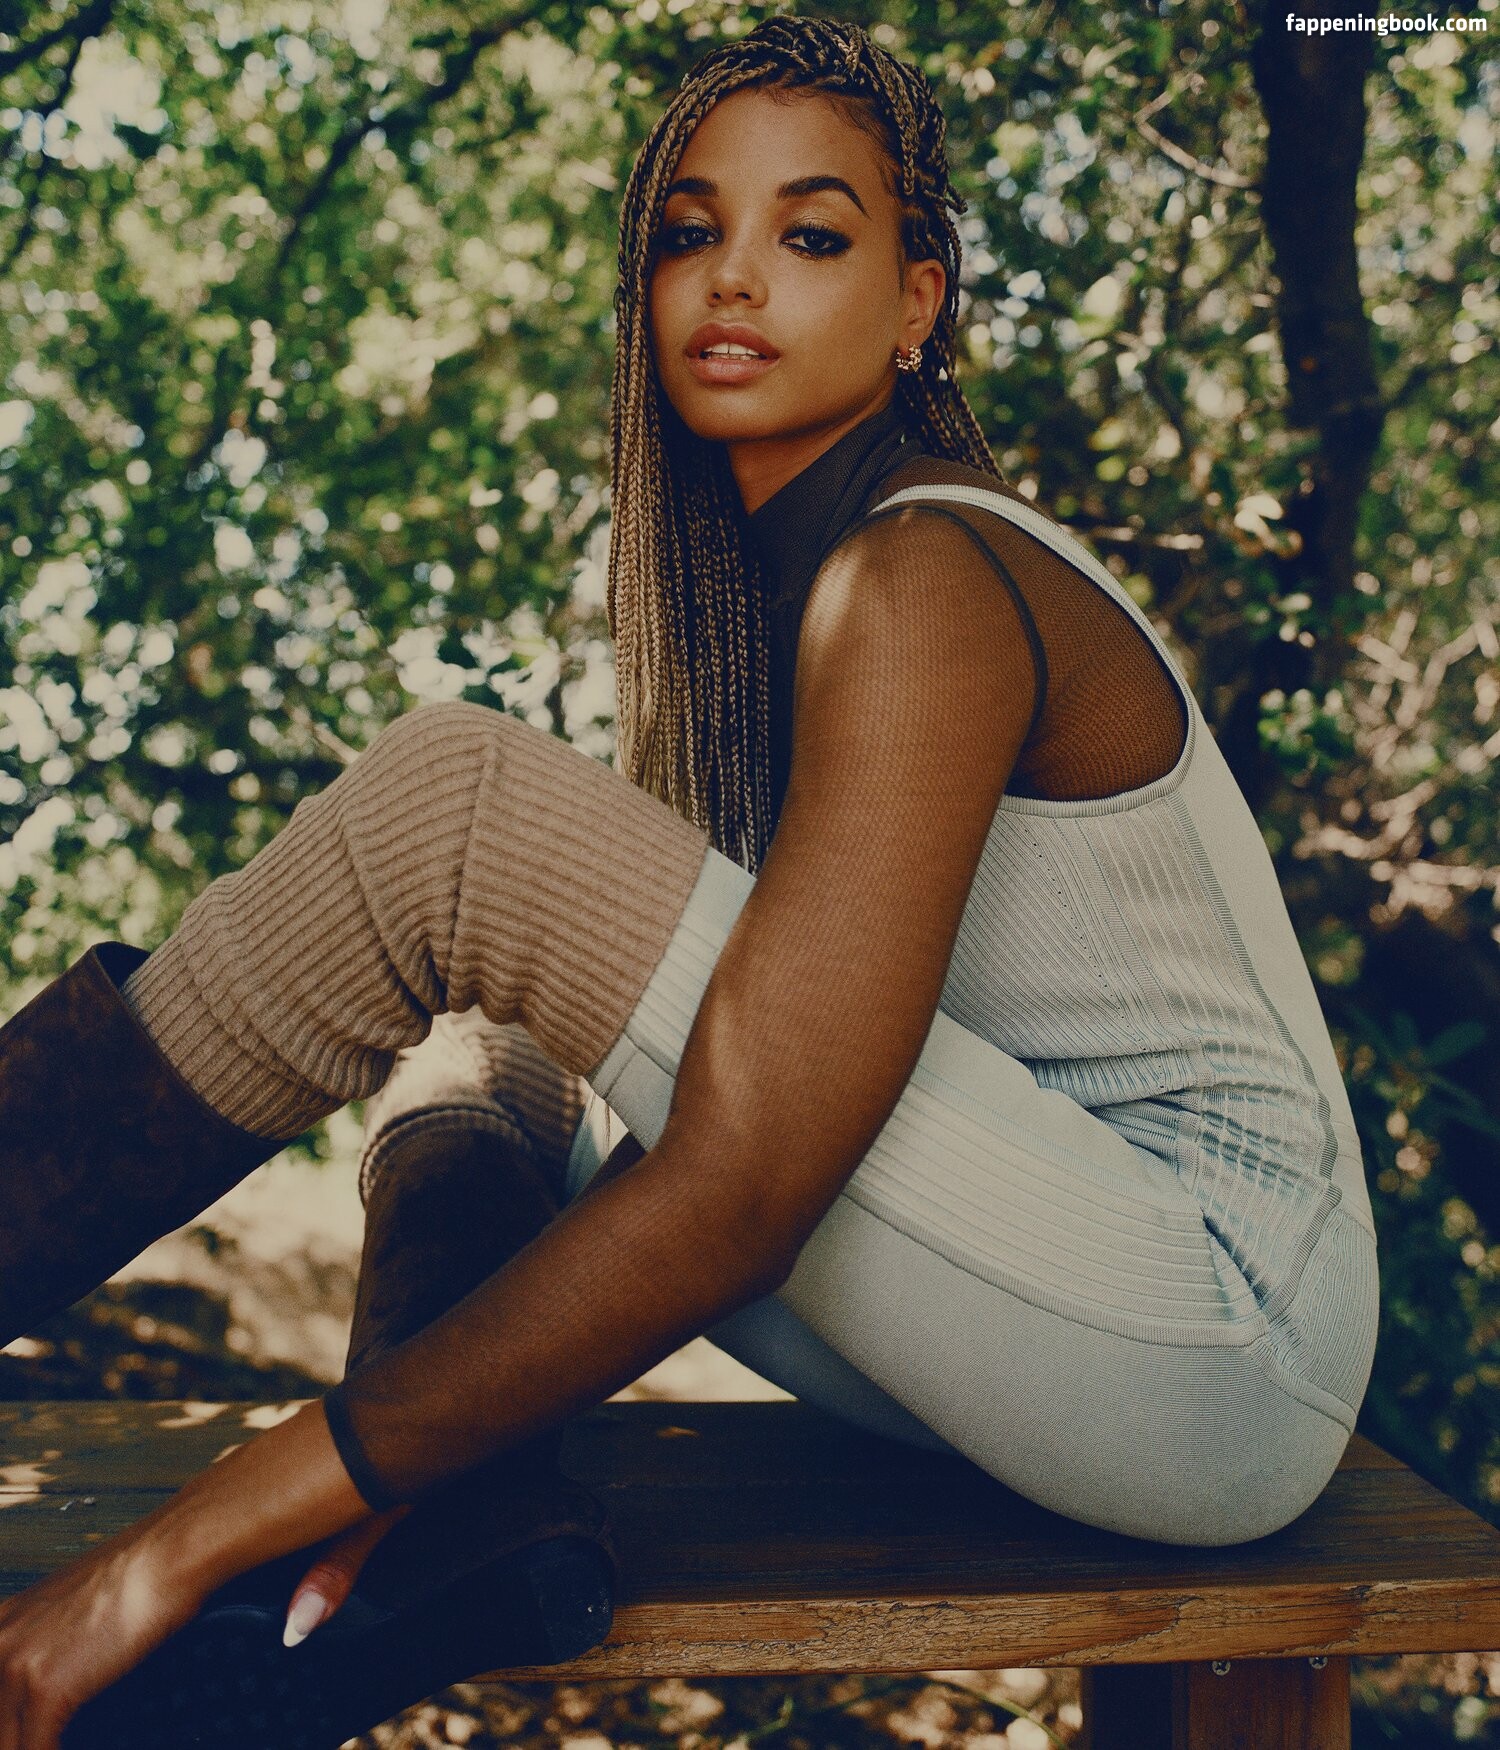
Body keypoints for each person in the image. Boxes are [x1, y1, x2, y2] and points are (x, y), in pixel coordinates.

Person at [0, 15, 1380, 1745]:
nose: (735, 276)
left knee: (458, 808)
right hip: (1057, 1299)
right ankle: (461, 1521)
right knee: (492, 1056)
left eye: (812, 235)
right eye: (687, 231)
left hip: (1218, 1340)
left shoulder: (924, 578)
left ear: (918, 305)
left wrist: (182, 1542)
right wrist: (415, 1437)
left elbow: (746, 1184)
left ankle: (387, 1492)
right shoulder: (798, 603)